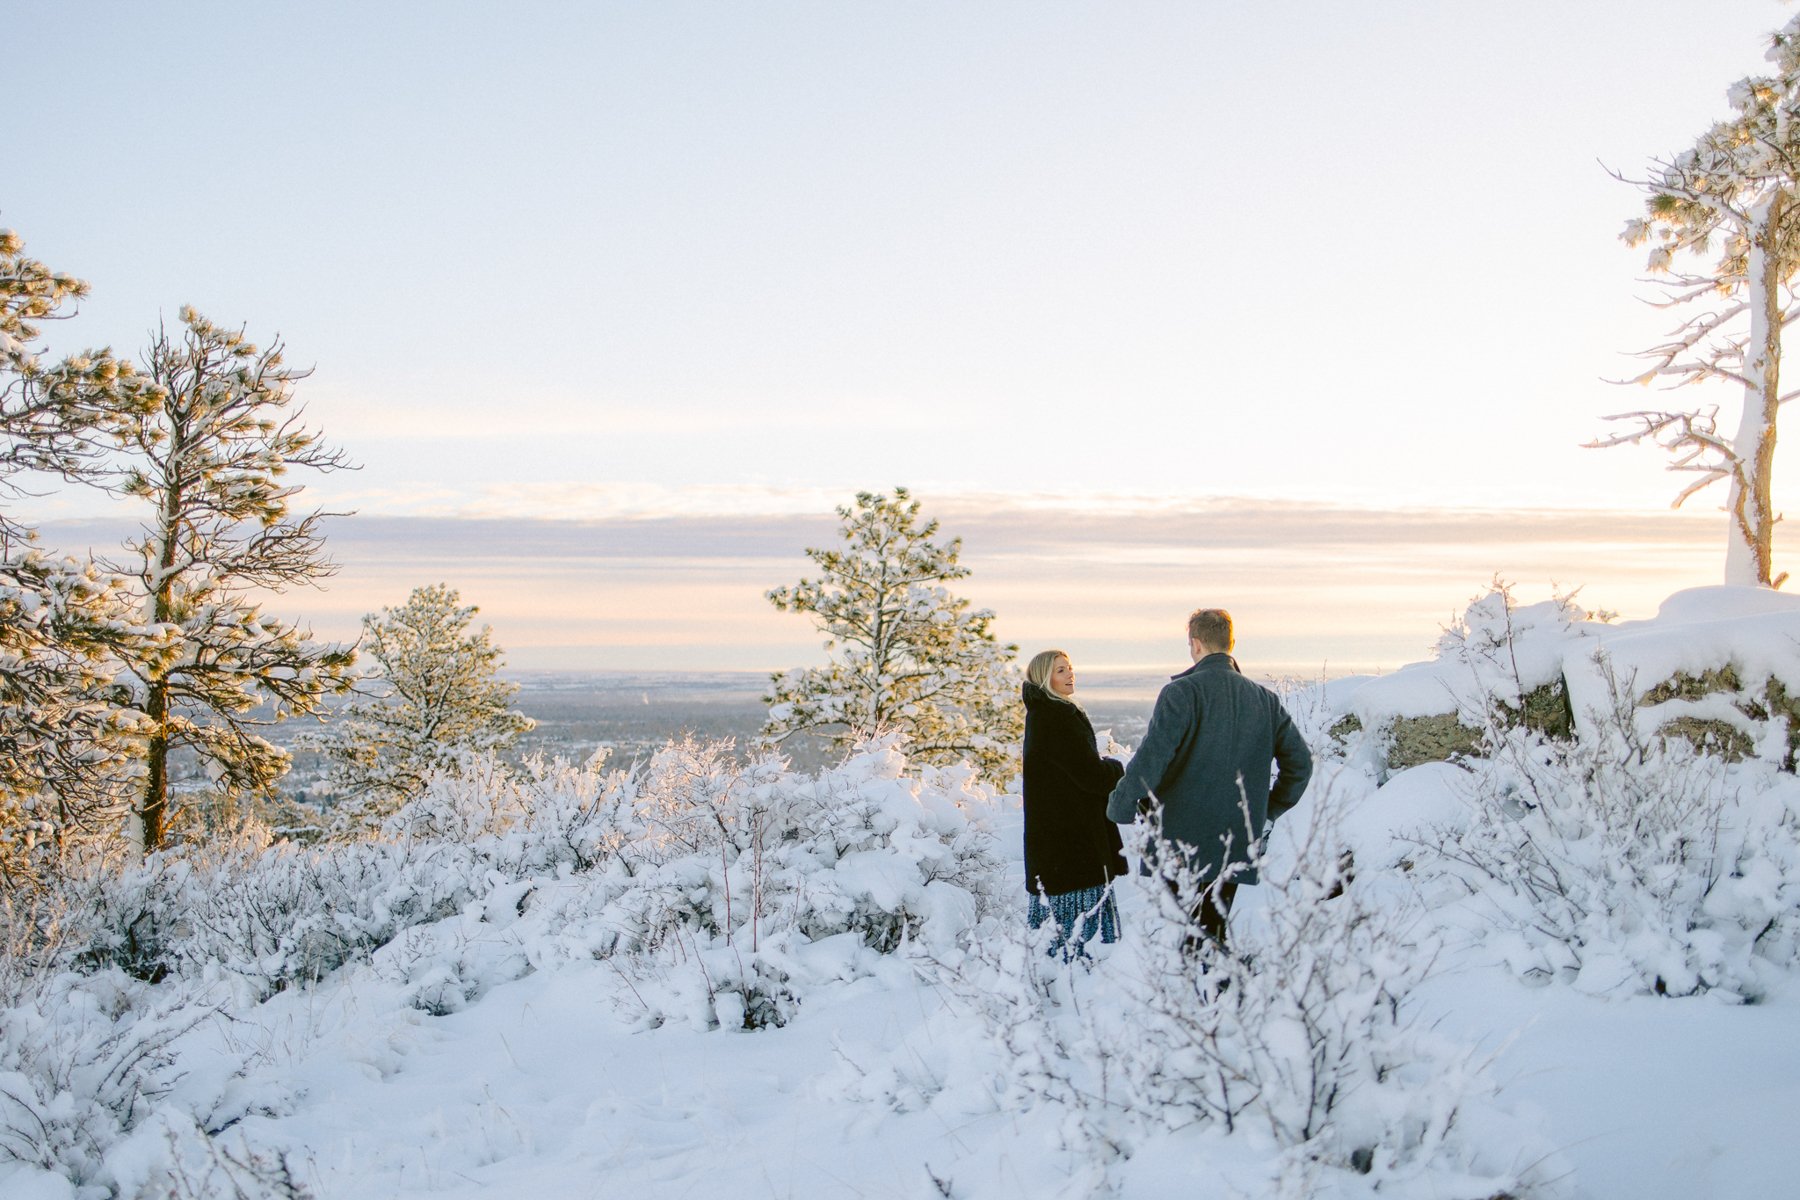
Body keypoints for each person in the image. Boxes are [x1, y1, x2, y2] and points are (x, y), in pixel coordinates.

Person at [1106, 608, 1312, 950]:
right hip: (1236, 835)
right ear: (1231, 643)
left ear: (1195, 643)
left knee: (1192, 932)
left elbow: (1150, 760)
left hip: (1181, 836)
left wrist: (1120, 807)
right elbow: (1301, 765)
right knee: (1211, 927)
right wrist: (1267, 811)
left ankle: (1207, 995)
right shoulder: (1265, 700)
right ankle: (1219, 992)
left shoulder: (1181, 693)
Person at [1021, 649, 1128, 958]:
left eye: (1069, 668)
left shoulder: (1044, 715)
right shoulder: (1058, 718)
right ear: (1045, 679)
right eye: (1060, 670)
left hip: (1056, 839)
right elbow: (1090, 776)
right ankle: (1078, 985)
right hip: (1072, 842)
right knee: (1081, 930)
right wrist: (1115, 768)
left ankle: (1056, 979)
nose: (1070, 674)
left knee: (1056, 929)